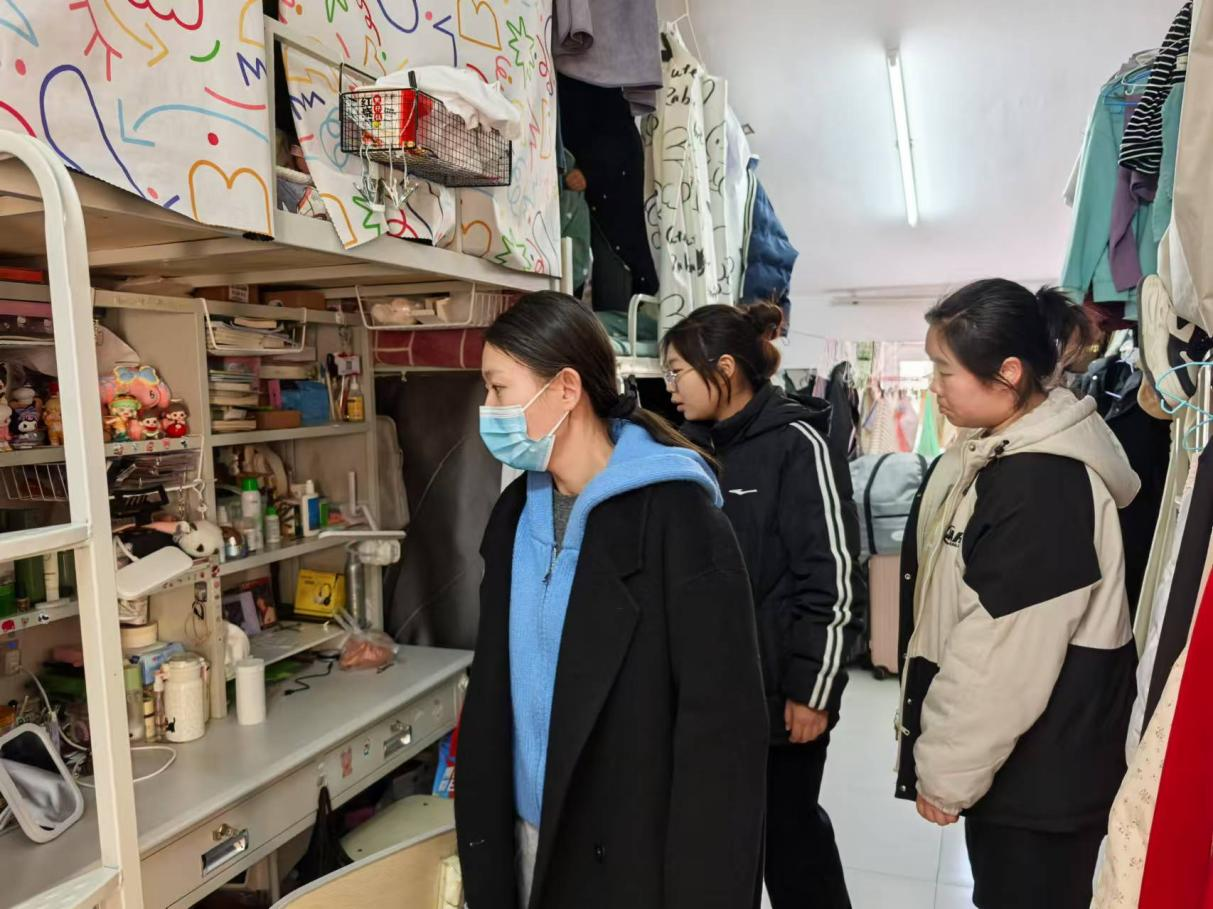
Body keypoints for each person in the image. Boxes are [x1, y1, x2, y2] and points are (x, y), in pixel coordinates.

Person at [455, 292, 768, 909]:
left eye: (498, 388)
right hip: (523, 837)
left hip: (627, 855)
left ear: (565, 389)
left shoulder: (678, 519)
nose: (487, 409)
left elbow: (722, 738)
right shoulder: (515, 514)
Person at [897, 279, 1140, 909]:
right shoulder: (998, 455)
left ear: (1007, 373)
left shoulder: (1040, 484)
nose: (933, 387)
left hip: (1042, 780)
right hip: (1023, 769)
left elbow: (1001, 659)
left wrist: (945, 772)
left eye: (944, 370)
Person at [662, 302, 865, 909]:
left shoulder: (798, 444)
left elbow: (833, 577)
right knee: (724, 849)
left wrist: (813, 692)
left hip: (781, 699)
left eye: (677, 372)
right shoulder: (687, 446)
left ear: (724, 368)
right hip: (710, 698)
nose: (669, 387)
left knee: (791, 844)